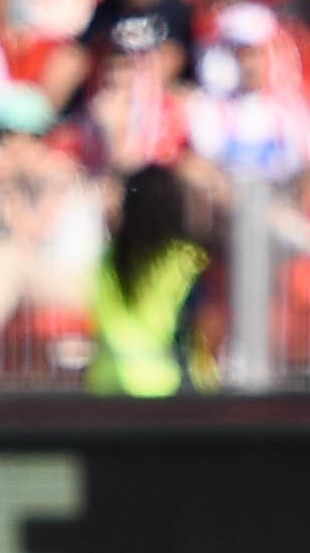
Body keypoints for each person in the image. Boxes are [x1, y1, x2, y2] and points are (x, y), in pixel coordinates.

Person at [87, 165, 215, 396]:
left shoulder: (106, 259)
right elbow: (204, 323)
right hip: (169, 389)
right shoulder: (188, 260)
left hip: (110, 387)